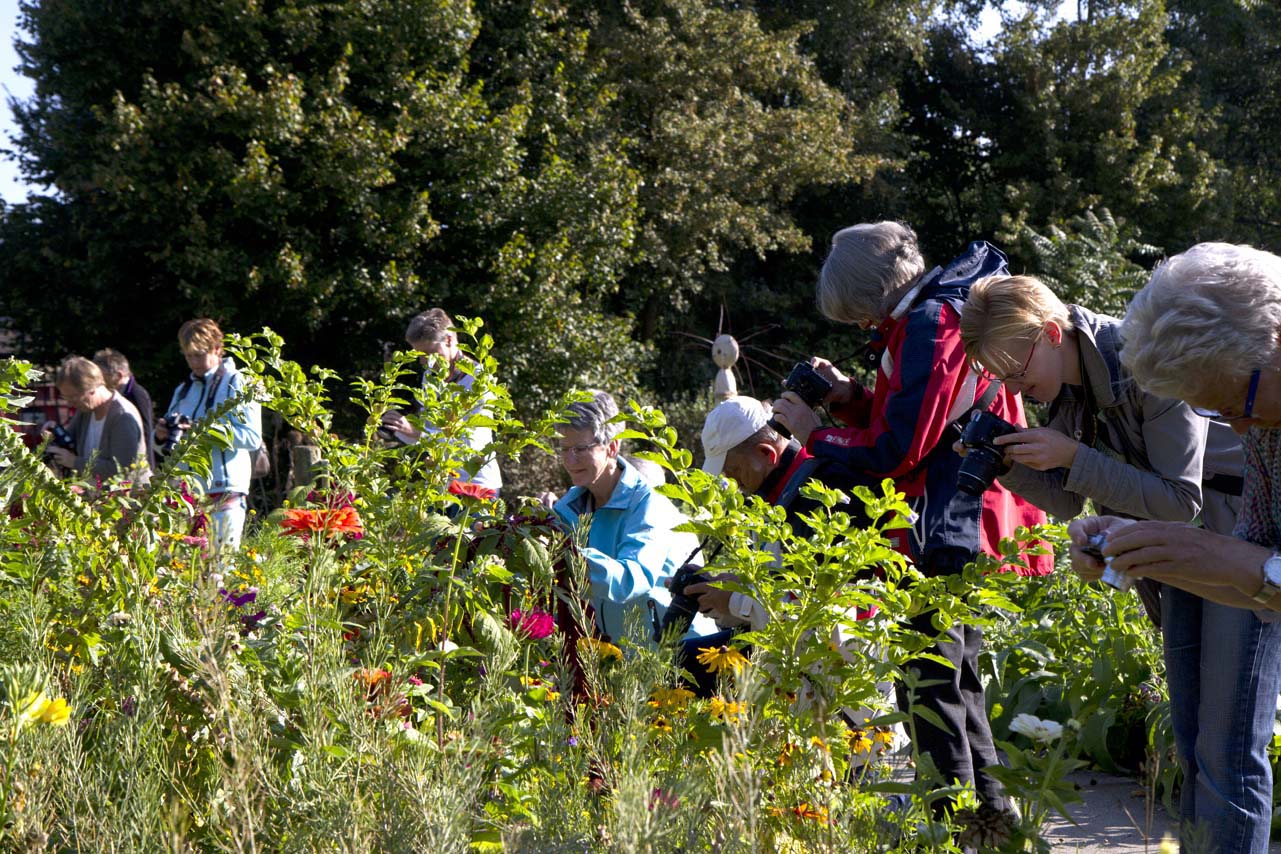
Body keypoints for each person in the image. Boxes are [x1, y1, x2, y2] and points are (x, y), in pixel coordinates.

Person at [960, 272, 1274, 852]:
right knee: (1192, 741)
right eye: (1002, 379)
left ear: (1051, 333)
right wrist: (1014, 464)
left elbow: (1180, 501)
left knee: (1226, 749)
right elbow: (1068, 497)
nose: (1018, 388)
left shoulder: (1148, 362)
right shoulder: (1068, 390)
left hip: (1239, 534)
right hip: (1172, 557)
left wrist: (1073, 454)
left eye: (1017, 371)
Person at [769, 222, 1052, 819]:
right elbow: (919, 421)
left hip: (947, 523)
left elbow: (896, 450)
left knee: (928, 685)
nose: (862, 328)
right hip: (964, 516)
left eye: (858, 317)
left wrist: (814, 435)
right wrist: (848, 398)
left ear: (872, 295)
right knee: (954, 679)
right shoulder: (937, 312)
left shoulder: (928, 325)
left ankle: (950, 824)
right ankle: (987, 820)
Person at [1066, 243, 1281, 853]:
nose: (1235, 429)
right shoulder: (1268, 426)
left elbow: (1260, 570)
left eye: (1235, 401)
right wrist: (1154, 551)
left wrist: (1222, 558)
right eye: (1211, 410)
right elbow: (1266, 586)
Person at [550, 391, 717, 645]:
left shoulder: (647, 504)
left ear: (612, 447)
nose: (570, 460)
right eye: (564, 449)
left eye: (580, 449)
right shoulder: (569, 508)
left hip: (676, 656)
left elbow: (632, 578)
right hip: (619, 660)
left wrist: (567, 554)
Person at [155, 318, 262, 551]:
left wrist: (203, 431)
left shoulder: (238, 382)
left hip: (225, 492)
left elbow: (252, 437)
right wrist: (161, 435)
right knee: (186, 575)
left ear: (217, 349)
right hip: (187, 496)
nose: (194, 362)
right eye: (188, 356)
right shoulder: (183, 389)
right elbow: (168, 444)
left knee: (220, 571)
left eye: (199, 354)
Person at [379, 309, 502, 495]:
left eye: (430, 353)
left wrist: (416, 432)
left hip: (475, 484)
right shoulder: (430, 376)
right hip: (440, 485)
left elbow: (471, 442)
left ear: (450, 340)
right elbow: (428, 432)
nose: (425, 362)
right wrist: (397, 428)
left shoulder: (479, 378)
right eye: (419, 355)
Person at [44, 356, 149, 483]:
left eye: (73, 397)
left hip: (130, 498)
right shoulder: (85, 410)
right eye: (66, 398)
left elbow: (121, 470)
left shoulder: (123, 417)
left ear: (92, 389)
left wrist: (74, 462)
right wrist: (54, 434)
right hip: (97, 497)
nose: (71, 404)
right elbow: (70, 443)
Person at [94, 348, 156, 472]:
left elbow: (146, 432)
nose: (99, 382)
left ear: (119, 375)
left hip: (138, 468)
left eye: (102, 376)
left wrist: (147, 467)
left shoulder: (137, 394)